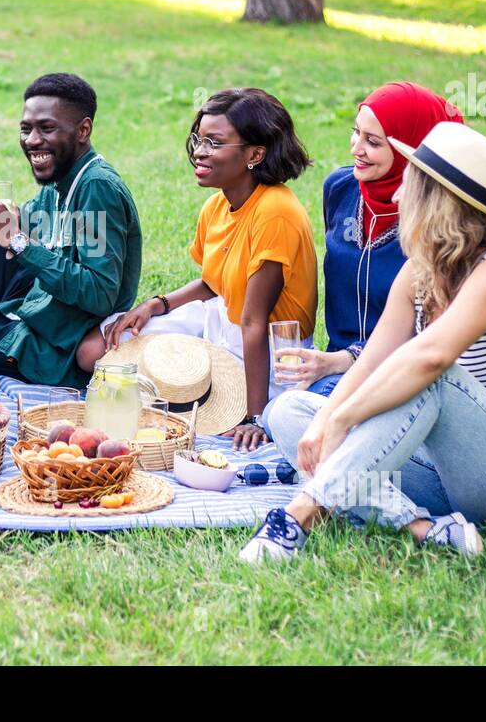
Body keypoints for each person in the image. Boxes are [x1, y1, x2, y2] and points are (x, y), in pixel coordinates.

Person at [240, 123, 486, 562]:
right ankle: (422, 527)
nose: (394, 197)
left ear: (434, 199)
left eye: (407, 185)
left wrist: (341, 420)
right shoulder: (419, 272)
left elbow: (430, 359)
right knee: (289, 412)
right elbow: (371, 363)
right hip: (436, 467)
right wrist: (326, 419)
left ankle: (300, 515)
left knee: (429, 376)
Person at [80, 88, 316, 450]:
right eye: (198, 139)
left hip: (267, 349)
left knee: (180, 406)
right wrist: (156, 304)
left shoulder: (276, 212)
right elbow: (215, 281)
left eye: (215, 142)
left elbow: (254, 320)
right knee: (97, 348)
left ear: (255, 154)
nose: (199, 152)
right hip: (220, 319)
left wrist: (253, 417)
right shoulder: (217, 205)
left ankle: (239, 406)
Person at [0, 73, 143, 387]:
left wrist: (17, 241)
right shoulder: (60, 177)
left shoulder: (96, 187)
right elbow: (32, 222)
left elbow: (100, 294)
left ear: (83, 130)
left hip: (56, 341)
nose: (31, 140)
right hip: (38, 296)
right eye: (25, 128)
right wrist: (11, 223)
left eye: (46, 128)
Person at [274, 82, 463, 398]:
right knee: (281, 412)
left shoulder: (439, 223)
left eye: (373, 142)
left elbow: (433, 337)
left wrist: (339, 361)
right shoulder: (340, 188)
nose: (355, 148)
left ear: (411, 149)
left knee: (291, 412)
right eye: (356, 132)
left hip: (403, 373)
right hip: (332, 368)